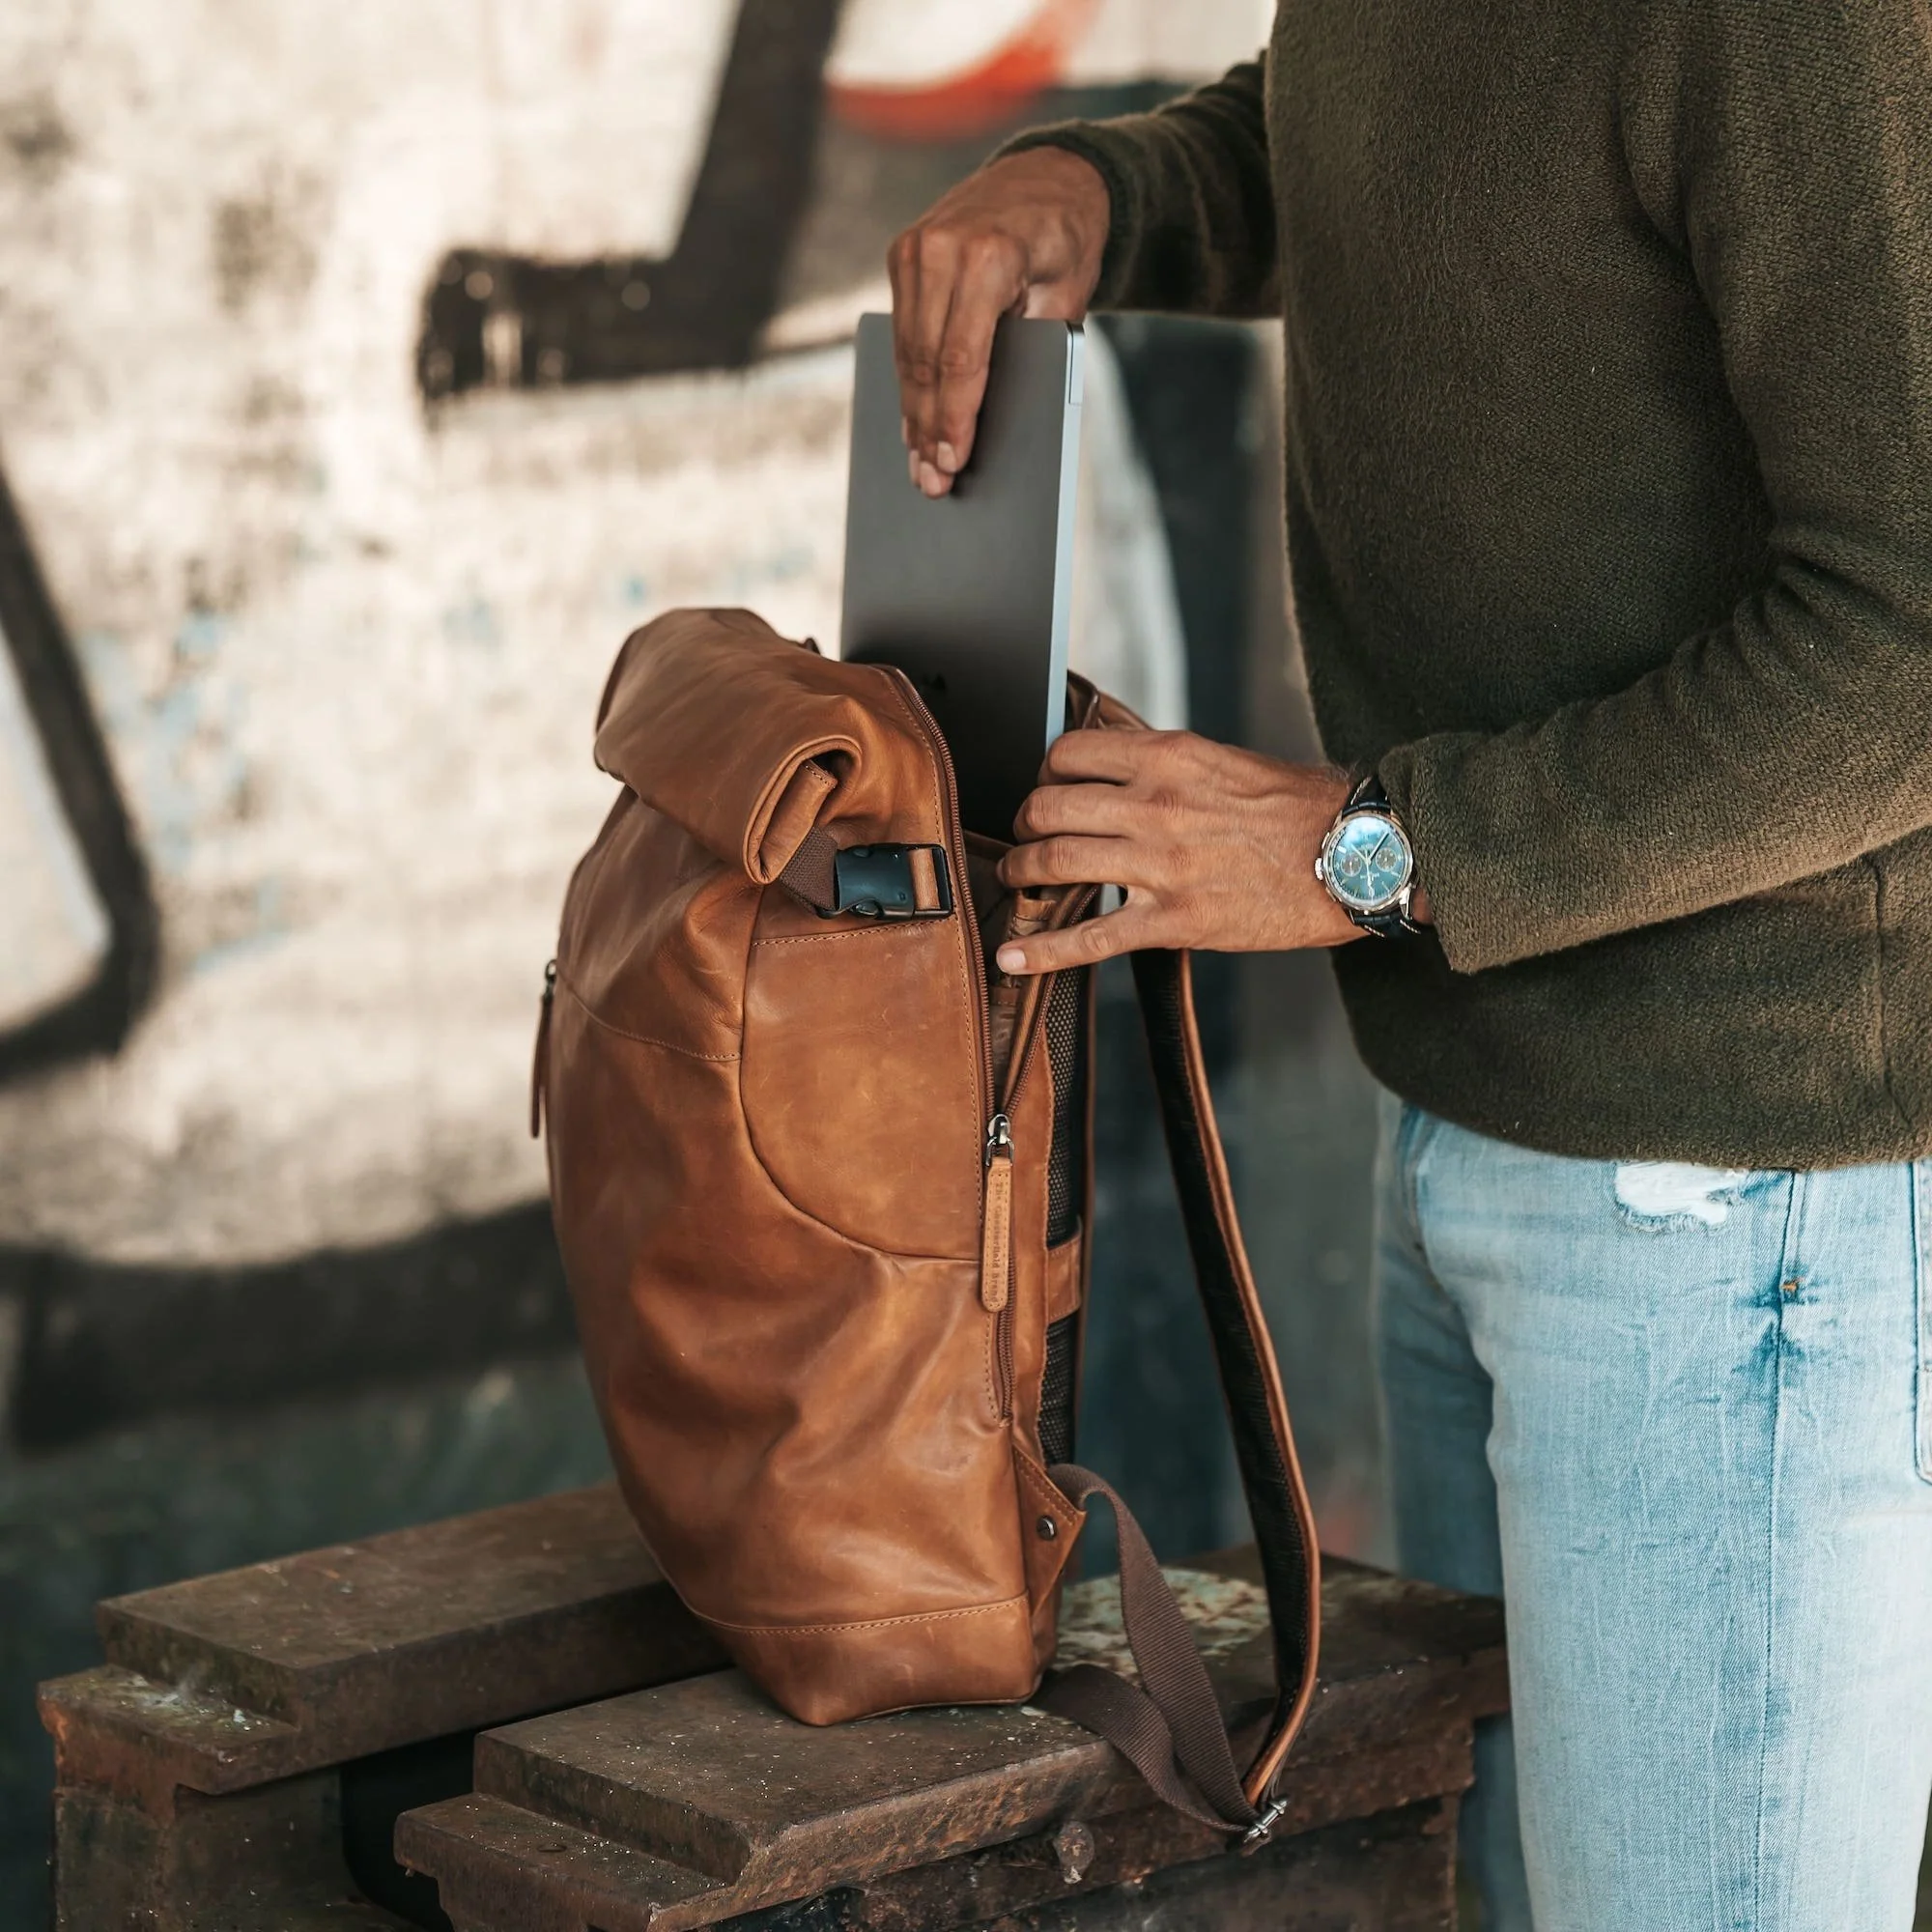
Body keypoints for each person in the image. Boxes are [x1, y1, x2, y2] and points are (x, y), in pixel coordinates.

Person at [885, 8, 1932, 1930]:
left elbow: (1905, 642)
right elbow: (1408, 138)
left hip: (1727, 1208)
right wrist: (1110, 194)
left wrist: (1364, 850)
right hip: (1472, 1117)